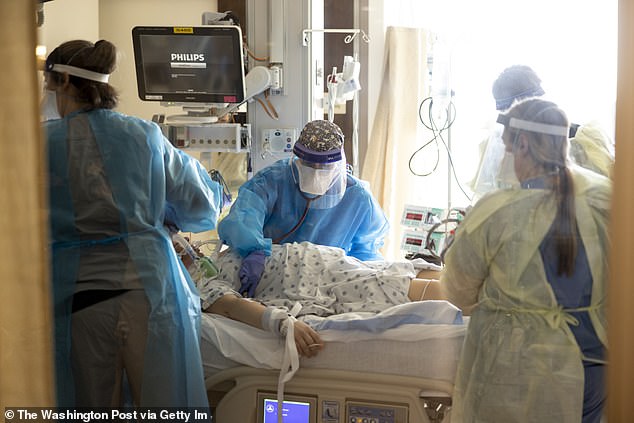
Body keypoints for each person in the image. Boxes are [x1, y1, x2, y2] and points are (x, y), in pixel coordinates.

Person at [45, 39, 223, 409]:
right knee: (163, 408)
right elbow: (201, 204)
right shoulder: (145, 136)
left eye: (49, 87)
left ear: (62, 82)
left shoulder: (41, 144)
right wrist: (160, 216)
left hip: (80, 301)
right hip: (149, 294)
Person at [441, 98, 610, 422]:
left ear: (522, 144)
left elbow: (459, 293)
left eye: (506, 147)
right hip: (593, 368)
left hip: (518, 371)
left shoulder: (497, 212)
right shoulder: (606, 198)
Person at [217, 120, 389, 298]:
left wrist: (360, 282)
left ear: (338, 164)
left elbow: (366, 253)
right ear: (297, 159)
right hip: (272, 271)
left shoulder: (357, 198)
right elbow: (243, 218)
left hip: (326, 280)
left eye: (324, 166)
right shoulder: (272, 180)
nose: (316, 172)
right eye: (309, 164)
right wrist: (254, 251)